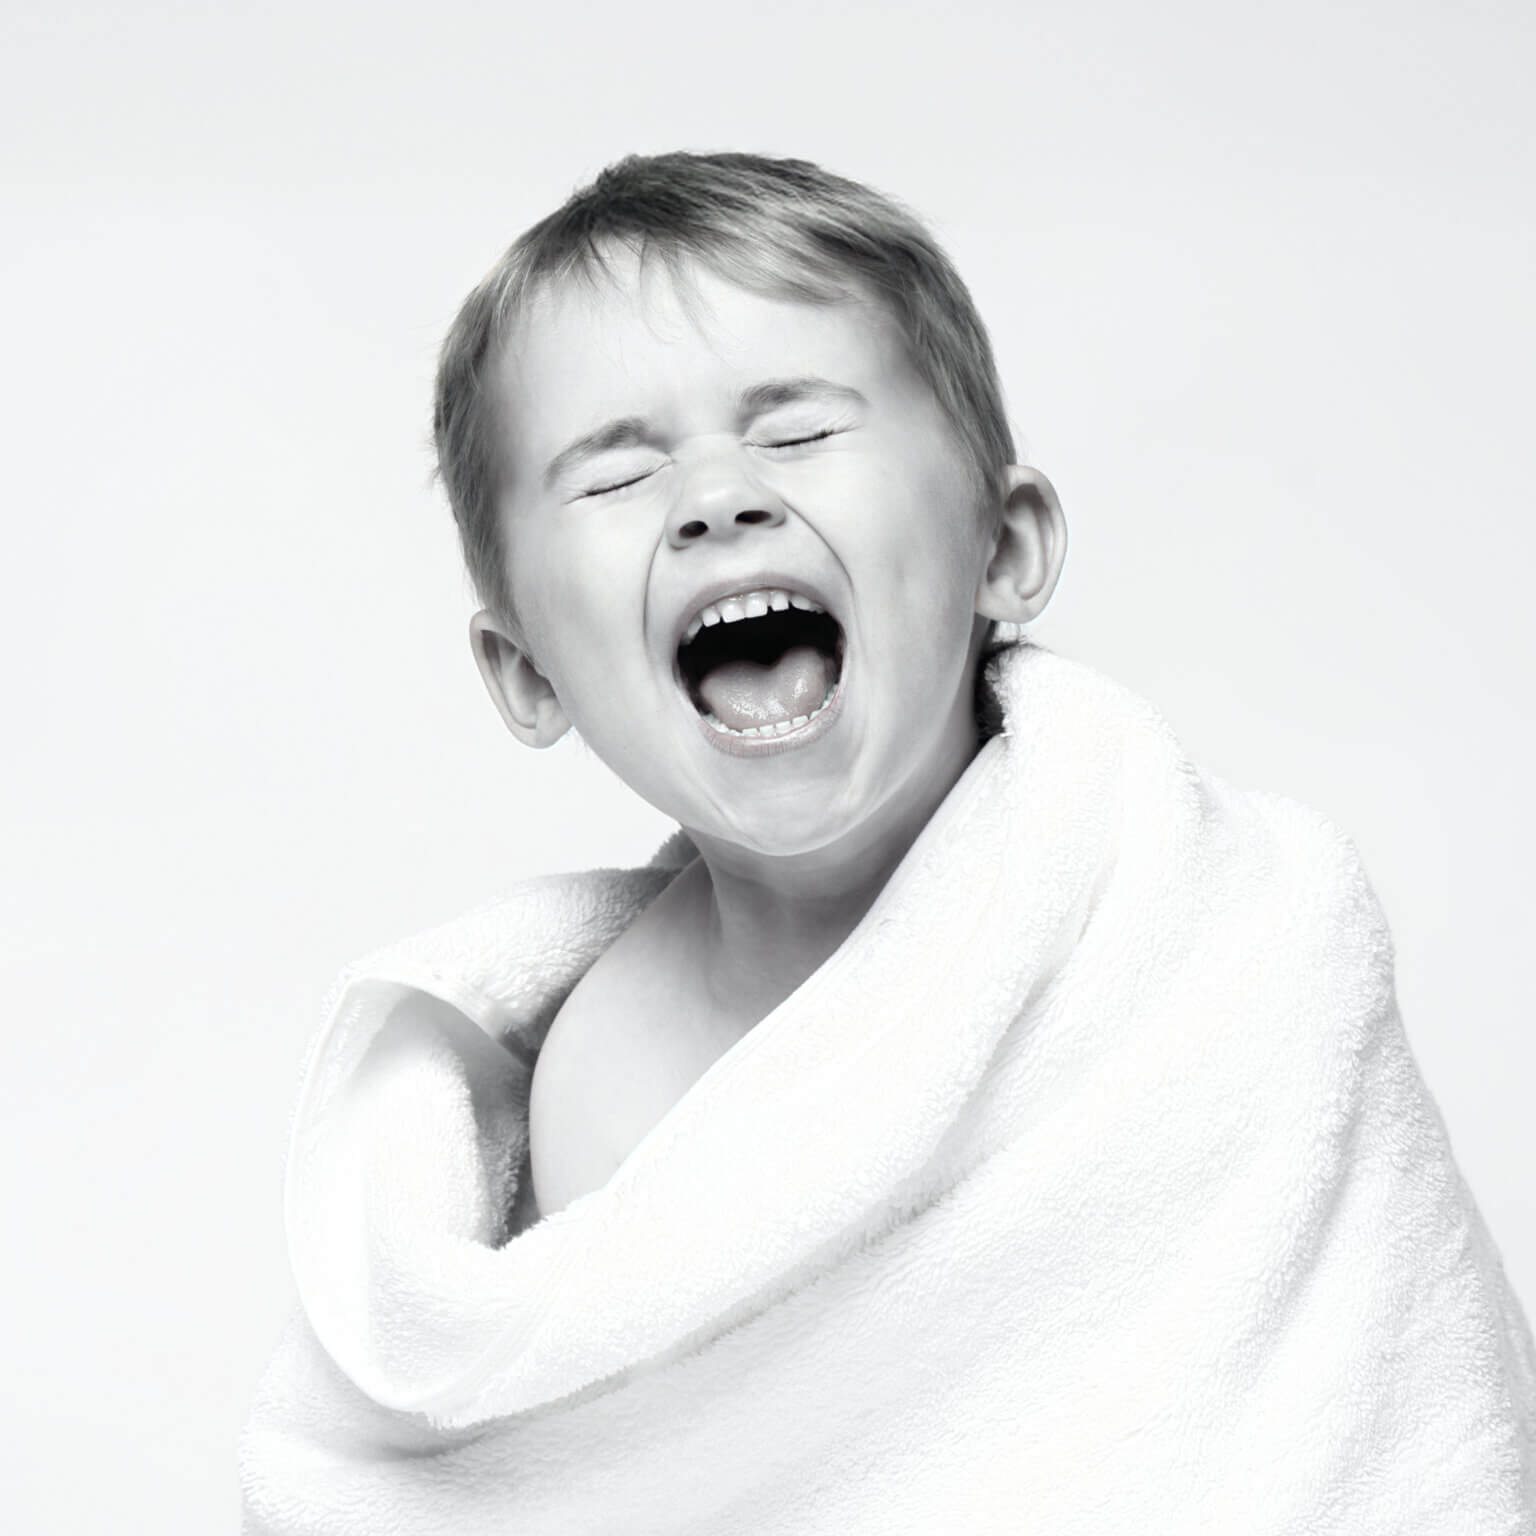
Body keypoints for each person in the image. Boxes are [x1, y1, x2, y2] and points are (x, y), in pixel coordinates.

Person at [241, 152, 1535, 1533]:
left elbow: (1372, 1425)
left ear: (1005, 548)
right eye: (618, 475)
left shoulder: (1225, 937)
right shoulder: (608, 1070)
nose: (715, 496)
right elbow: (637, 1482)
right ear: (528, 674)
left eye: (798, 434)